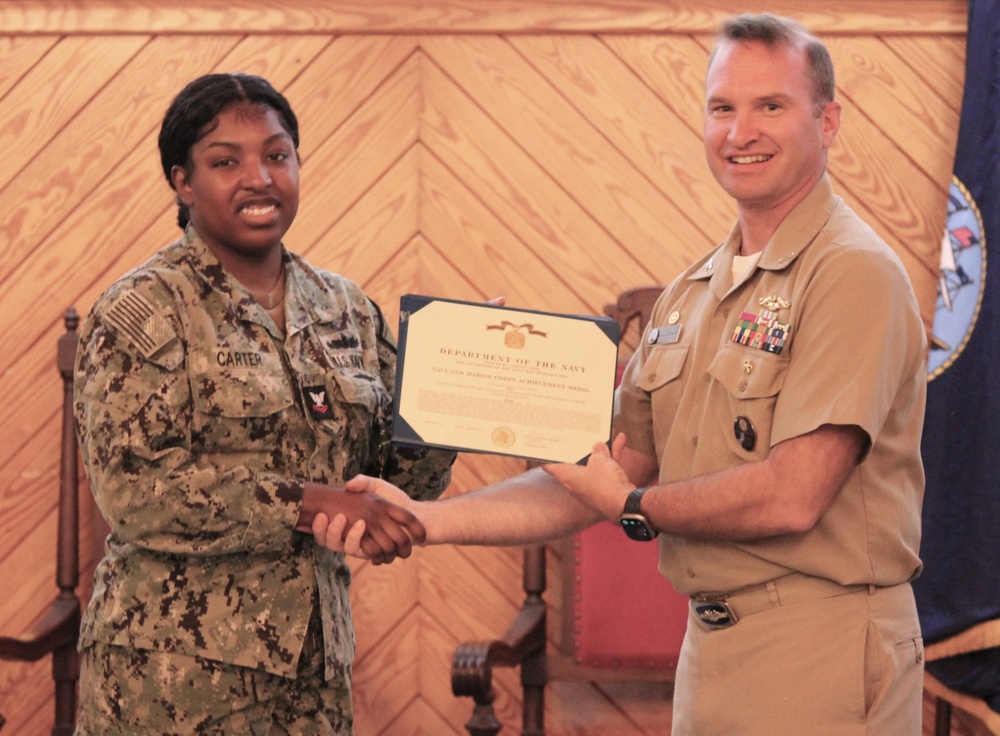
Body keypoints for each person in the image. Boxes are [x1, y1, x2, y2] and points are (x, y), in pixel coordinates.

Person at [333, 13, 929, 735]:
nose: (741, 133)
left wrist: (634, 504)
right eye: (722, 108)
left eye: (771, 106)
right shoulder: (692, 293)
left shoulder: (851, 273)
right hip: (712, 651)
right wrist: (425, 518)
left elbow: (792, 495)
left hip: (820, 649)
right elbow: (597, 475)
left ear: (828, 120)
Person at [72, 72, 455, 735]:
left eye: (277, 155)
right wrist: (311, 502)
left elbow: (399, 482)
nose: (260, 178)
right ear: (182, 182)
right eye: (227, 161)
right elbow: (137, 492)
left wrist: (450, 390)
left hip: (316, 671)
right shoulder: (144, 311)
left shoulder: (346, 307)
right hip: (174, 679)